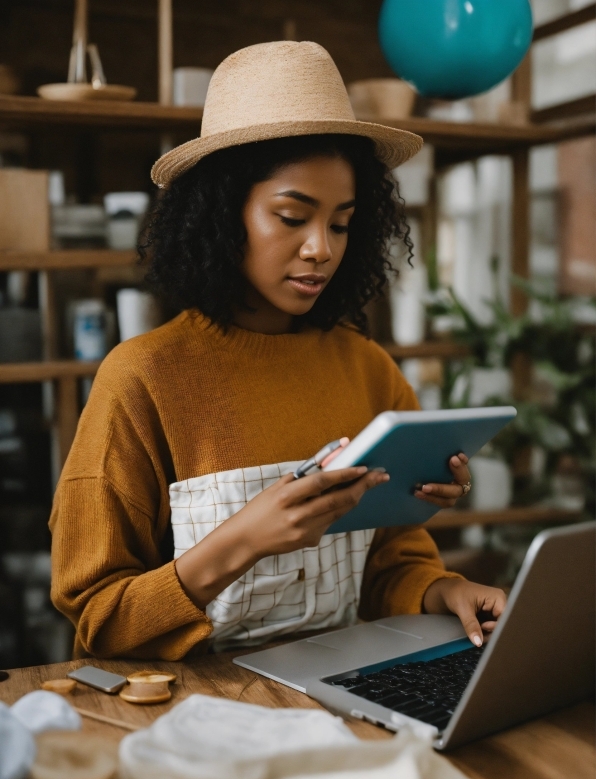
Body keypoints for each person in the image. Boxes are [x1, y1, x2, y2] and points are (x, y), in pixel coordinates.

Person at [50, 41, 506, 660]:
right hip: (190, 715)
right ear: (221, 216)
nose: (321, 248)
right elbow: (99, 621)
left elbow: (388, 568)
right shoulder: (141, 379)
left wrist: (441, 588)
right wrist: (242, 541)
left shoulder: (367, 370)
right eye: (292, 217)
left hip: (342, 693)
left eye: (341, 223)